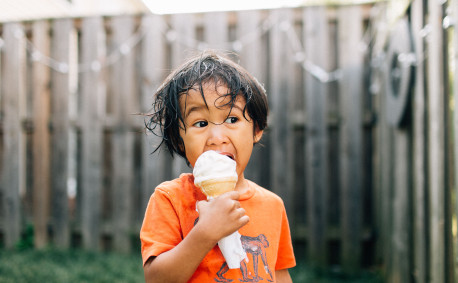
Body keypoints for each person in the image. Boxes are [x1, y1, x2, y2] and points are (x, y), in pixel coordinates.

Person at [140, 51, 296, 283]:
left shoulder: (272, 205)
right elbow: (157, 279)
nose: (216, 137)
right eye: (200, 123)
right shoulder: (170, 199)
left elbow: (279, 273)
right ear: (178, 139)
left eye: (232, 119)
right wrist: (205, 233)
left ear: (257, 129)